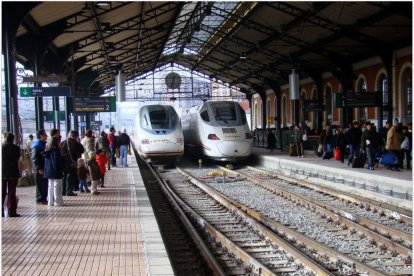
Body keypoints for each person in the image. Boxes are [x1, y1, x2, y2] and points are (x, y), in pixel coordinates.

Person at [2, 133, 21, 217]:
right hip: (13, 172)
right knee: (12, 192)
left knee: (1, 192)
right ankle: (12, 211)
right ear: (13, 139)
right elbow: (17, 159)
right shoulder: (16, 148)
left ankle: (1, 211)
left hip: (2, 172)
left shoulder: (2, 147)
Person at [60, 130, 84, 196]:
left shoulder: (63, 142)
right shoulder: (76, 144)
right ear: (77, 136)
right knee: (70, 177)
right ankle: (69, 191)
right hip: (71, 163)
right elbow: (82, 150)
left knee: (64, 177)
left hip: (63, 163)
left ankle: (63, 191)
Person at [42, 136, 64, 206]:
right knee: (57, 187)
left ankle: (50, 202)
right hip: (55, 171)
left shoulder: (47, 150)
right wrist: (60, 169)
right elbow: (56, 162)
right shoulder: (56, 151)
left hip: (48, 171)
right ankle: (58, 202)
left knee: (50, 186)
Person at [32, 129, 48, 205]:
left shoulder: (42, 144)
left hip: (44, 167)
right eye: (45, 134)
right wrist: (39, 168)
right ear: (41, 136)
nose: (46, 136)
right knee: (40, 184)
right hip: (40, 168)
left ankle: (44, 198)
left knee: (44, 183)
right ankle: (40, 199)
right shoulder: (37, 145)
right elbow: (35, 158)